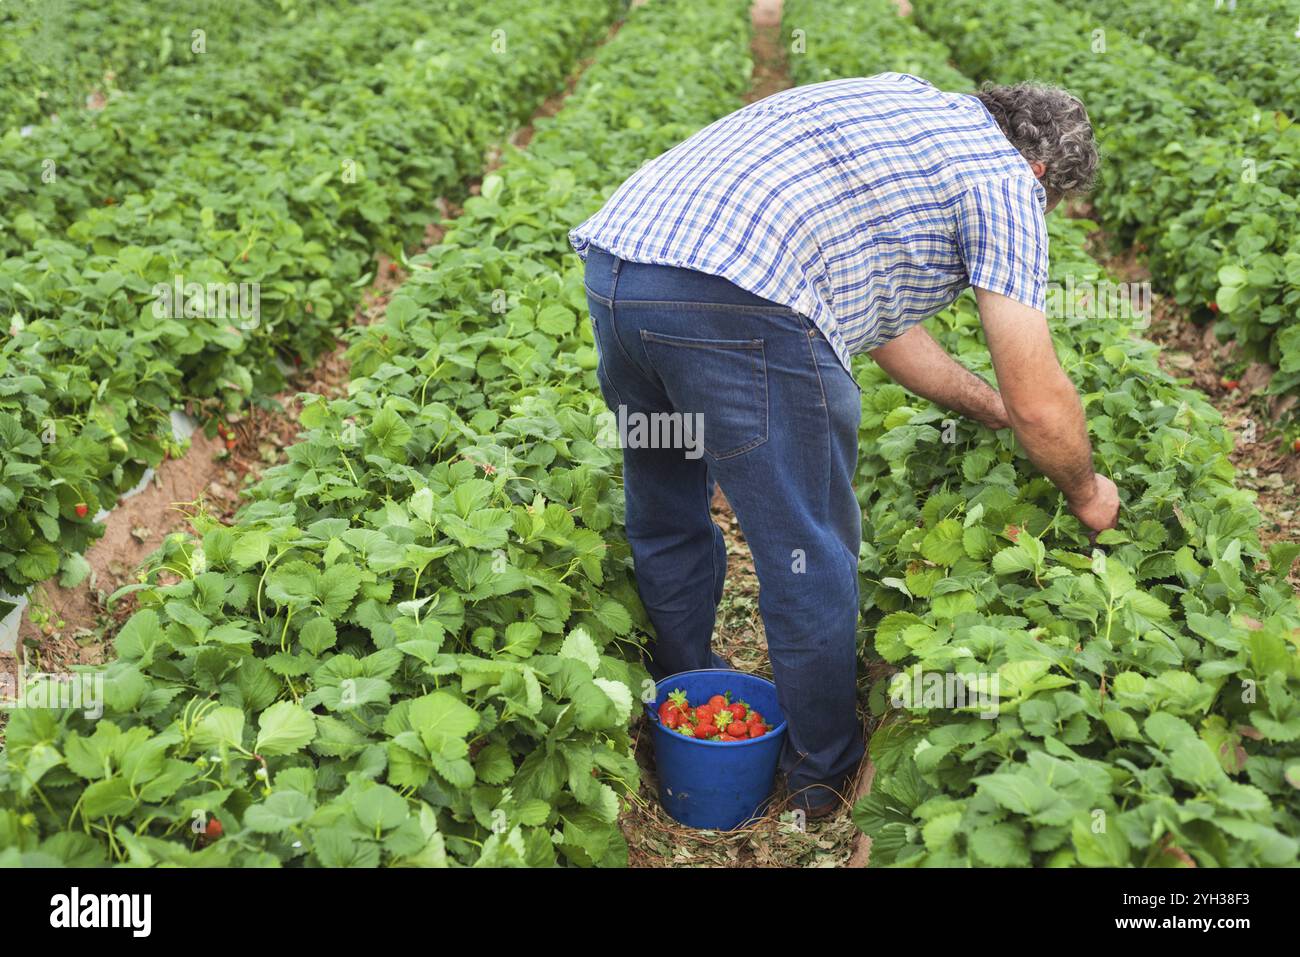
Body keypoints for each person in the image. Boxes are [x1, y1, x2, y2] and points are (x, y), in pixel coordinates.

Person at [570, 74, 1119, 818]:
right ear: (1043, 175)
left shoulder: (910, 104)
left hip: (620, 270)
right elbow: (1039, 394)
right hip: (737, 297)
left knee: (666, 500)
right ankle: (818, 778)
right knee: (808, 543)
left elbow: (889, 328)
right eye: (1051, 207)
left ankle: (680, 692)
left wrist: (980, 405)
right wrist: (1087, 492)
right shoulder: (1005, 180)